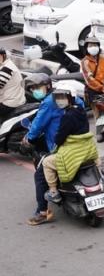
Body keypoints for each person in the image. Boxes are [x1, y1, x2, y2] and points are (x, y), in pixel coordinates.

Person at [41, 87, 104, 204]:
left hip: (74, 154)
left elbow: (60, 138)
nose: (60, 101)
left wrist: (56, 144)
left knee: (47, 162)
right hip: (88, 150)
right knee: (97, 169)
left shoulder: (67, 117)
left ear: (70, 98)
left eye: (62, 98)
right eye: (58, 98)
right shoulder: (81, 110)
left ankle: (54, 191)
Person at [22, 74, 60, 225]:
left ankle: (42, 212)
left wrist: (29, 139)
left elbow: (37, 126)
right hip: (82, 144)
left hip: (60, 147)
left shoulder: (48, 103)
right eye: (33, 89)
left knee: (40, 175)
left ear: (48, 86)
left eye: (38, 87)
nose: (36, 91)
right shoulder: (67, 99)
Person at [80, 36, 104, 143]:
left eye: (95, 45)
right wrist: (102, 88)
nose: (93, 47)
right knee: (97, 113)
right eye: (90, 45)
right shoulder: (85, 62)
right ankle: (99, 133)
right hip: (94, 90)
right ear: (86, 48)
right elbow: (89, 79)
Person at [0, 47, 25, 116]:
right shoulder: (6, 64)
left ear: (3, 56)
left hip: (10, 103)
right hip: (15, 98)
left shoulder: (7, 68)